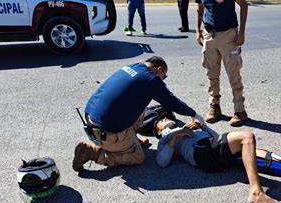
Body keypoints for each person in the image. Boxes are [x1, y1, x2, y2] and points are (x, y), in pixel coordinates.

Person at [154, 117, 281, 203]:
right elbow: (162, 162)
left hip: (213, 149)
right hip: (202, 155)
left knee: (266, 157)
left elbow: (215, 137)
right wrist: (175, 136)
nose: (166, 120)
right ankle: (256, 192)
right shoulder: (166, 138)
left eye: (166, 117)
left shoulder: (186, 126)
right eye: (161, 121)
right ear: (158, 130)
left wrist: (201, 126)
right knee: (247, 137)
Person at [73, 56, 203, 172]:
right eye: (165, 76)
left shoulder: (132, 66)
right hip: (105, 132)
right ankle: (92, 153)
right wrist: (193, 114)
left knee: (140, 104)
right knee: (138, 157)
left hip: (91, 117)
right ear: (160, 70)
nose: (164, 80)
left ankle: (130, 140)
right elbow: (171, 101)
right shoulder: (151, 79)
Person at [195, 0, 249, 127]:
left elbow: (244, 5)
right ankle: (215, 106)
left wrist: (241, 32)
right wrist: (198, 30)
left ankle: (239, 111)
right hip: (209, 34)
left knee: (233, 75)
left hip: (229, 35)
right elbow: (200, 8)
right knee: (211, 74)